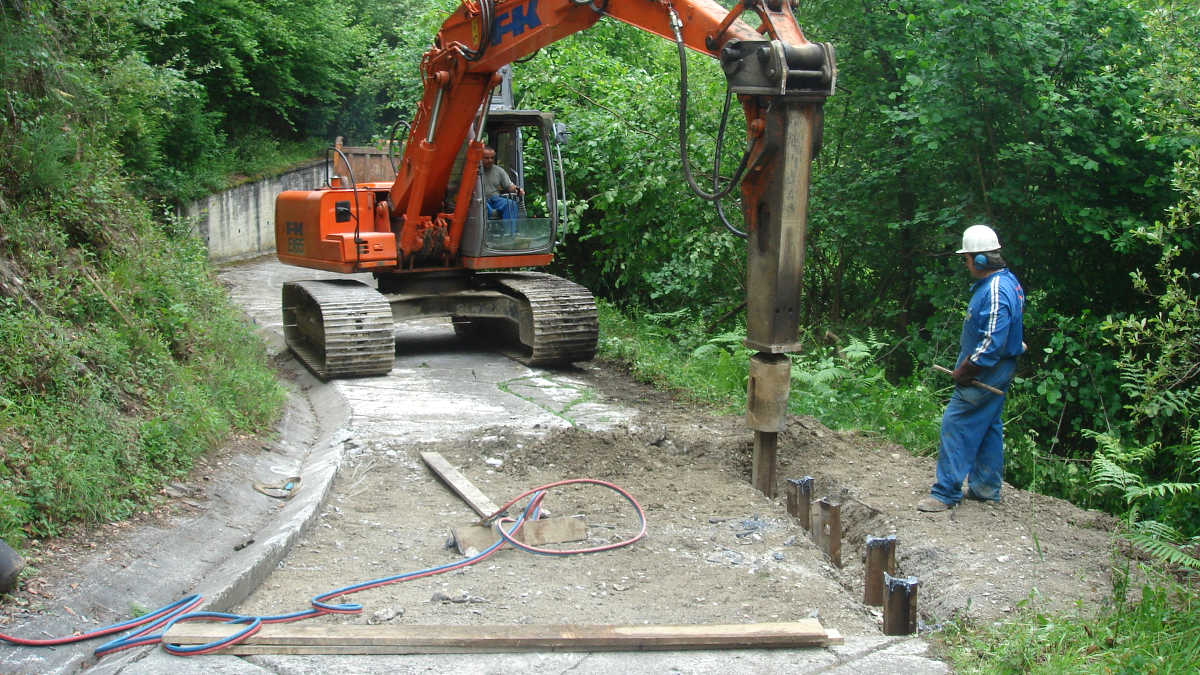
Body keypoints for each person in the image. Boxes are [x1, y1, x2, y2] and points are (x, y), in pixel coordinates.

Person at [917, 224, 1026, 513]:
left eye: (967, 258)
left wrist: (968, 369)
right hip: (999, 368)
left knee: (957, 422)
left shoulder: (994, 290)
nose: (965, 263)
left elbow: (992, 341)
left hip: (988, 370)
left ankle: (945, 493)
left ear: (979, 260)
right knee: (989, 425)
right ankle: (985, 488)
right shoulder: (1008, 282)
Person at [480, 146, 523, 233]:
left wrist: (517, 190)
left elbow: (509, 186)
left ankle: (510, 235)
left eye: (492, 158)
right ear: (480, 157)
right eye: (487, 158)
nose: (490, 160)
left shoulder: (499, 171)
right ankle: (485, 236)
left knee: (511, 204)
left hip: (495, 198)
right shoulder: (474, 171)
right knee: (483, 208)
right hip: (481, 199)